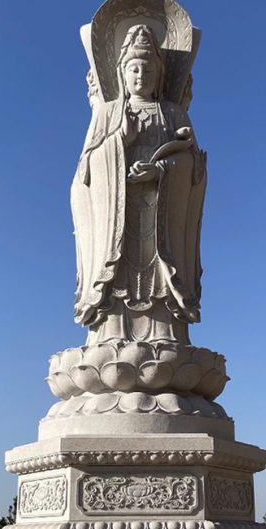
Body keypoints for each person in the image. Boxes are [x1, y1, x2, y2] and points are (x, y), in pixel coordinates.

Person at [71, 24, 207, 345]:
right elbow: (85, 172)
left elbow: (194, 169)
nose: (141, 75)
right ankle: (110, 333)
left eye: (148, 69)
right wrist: (120, 140)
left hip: (161, 214)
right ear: (122, 73)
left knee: (162, 276)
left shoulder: (173, 114)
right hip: (117, 215)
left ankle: (166, 333)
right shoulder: (107, 113)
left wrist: (161, 171)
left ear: (159, 74)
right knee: (117, 278)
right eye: (134, 68)